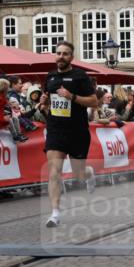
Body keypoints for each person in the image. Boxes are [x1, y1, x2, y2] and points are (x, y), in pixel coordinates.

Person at [40, 41, 98, 228]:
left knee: (78, 174)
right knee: (54, 172)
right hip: (56, 129)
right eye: (58, 53)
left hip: (77, 130)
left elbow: (94, 102)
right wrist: (44, 101)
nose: (61, 56)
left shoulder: (80, 76)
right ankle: (55, 213)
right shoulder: (50, 77)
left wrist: (72, 96)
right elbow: (49, 102)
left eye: (65, 53)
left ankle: (88, 174)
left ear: (71, 57)